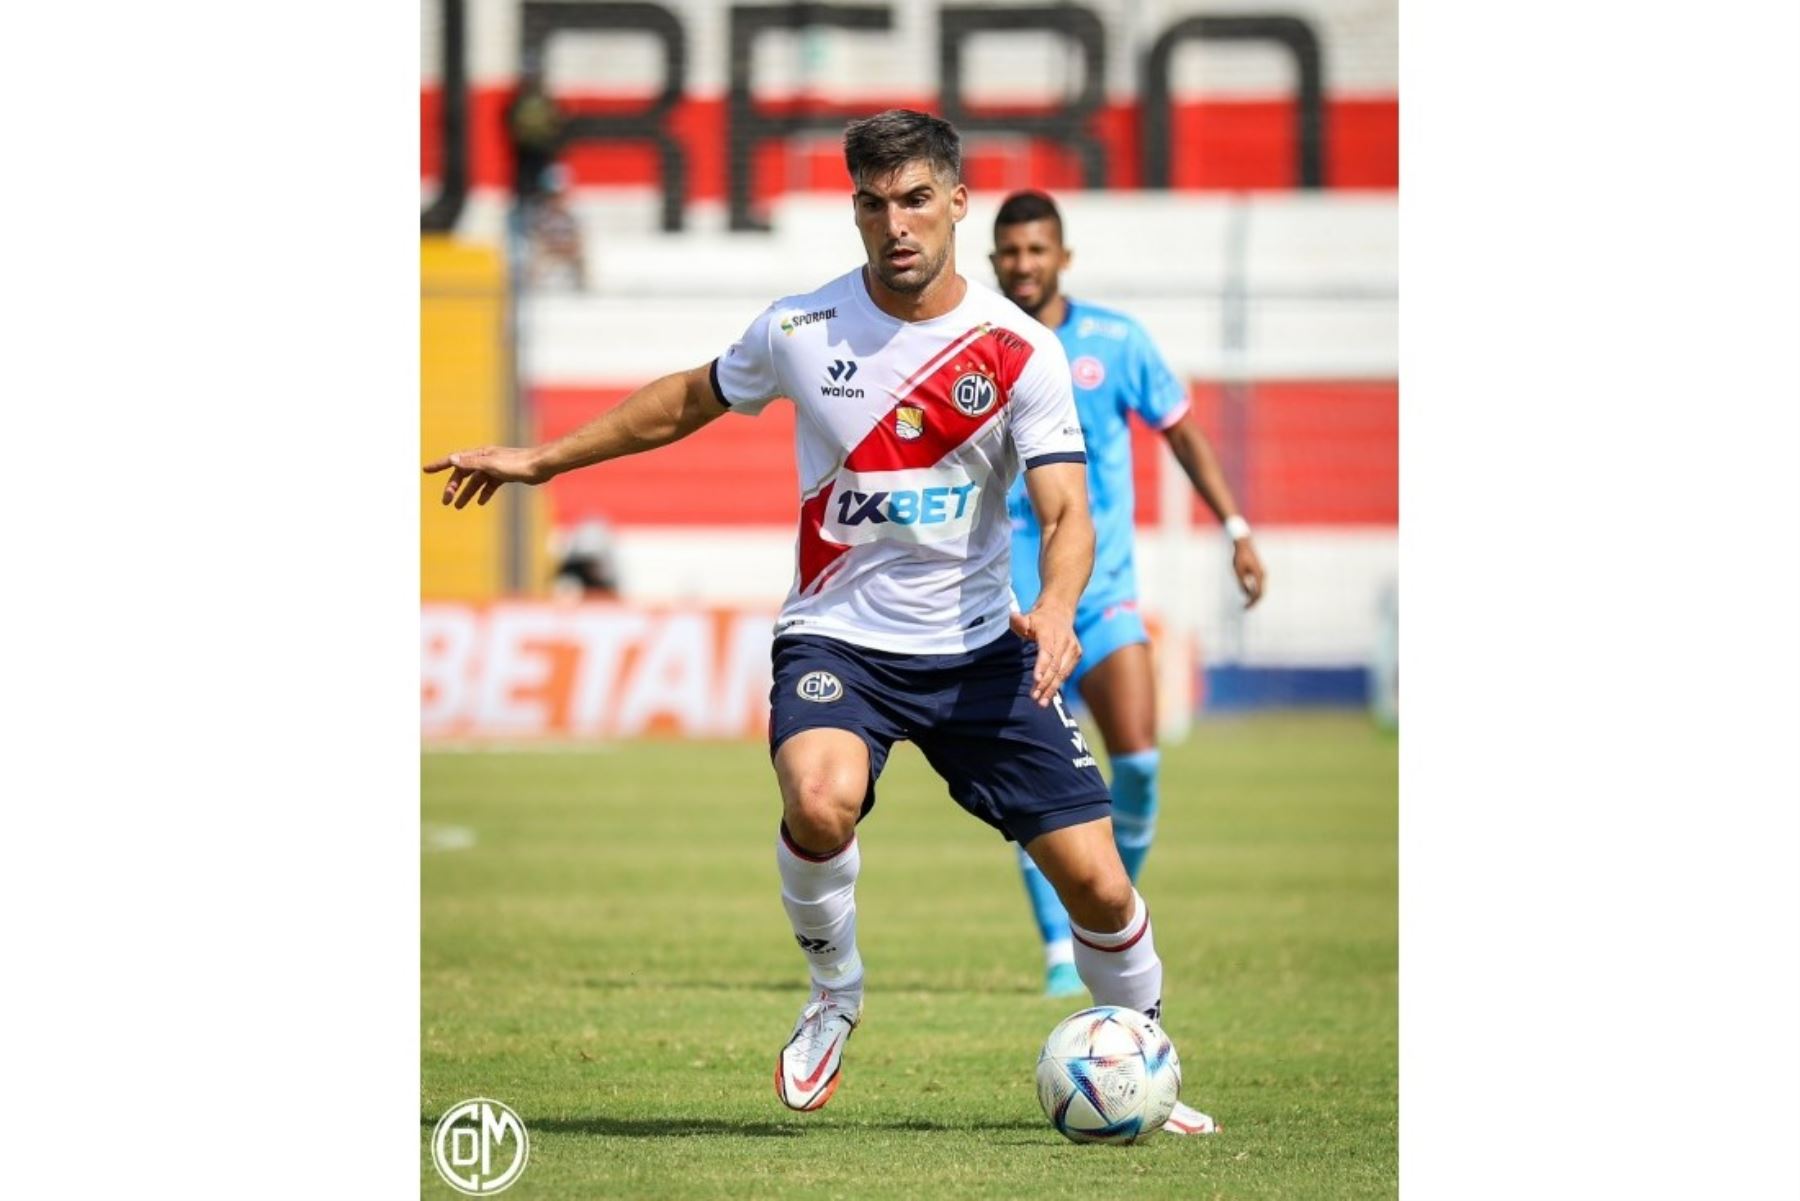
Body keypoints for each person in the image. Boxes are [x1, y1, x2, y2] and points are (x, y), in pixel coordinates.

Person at [424, 111, 1218, 1135]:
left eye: (917, 199)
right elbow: (682, 402)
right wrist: (541, 459)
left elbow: (1069, 509)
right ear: (855, 209)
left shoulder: (1019, 352)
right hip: (840, 639)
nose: (897, 224)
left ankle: (1144, 1055)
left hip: (982, 650)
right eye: (875, 203)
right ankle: (834, 992)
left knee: (1102, 887)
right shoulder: (803, 330)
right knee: (819, 798)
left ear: (957, 203)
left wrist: (1059, 603)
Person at [989, 190, 1268, 999]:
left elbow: (1179, 430)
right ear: (994, 260)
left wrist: (1236, 526)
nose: (1024, 265)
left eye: (1038, 250)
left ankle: (1107, 908)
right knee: (1038, 789)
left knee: (1139, 762)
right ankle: (1057, 948)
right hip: (1011, 609)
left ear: (1062, 256)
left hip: (1104, 598)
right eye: (1010, 252)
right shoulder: (976, 343)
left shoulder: (1116, 341)